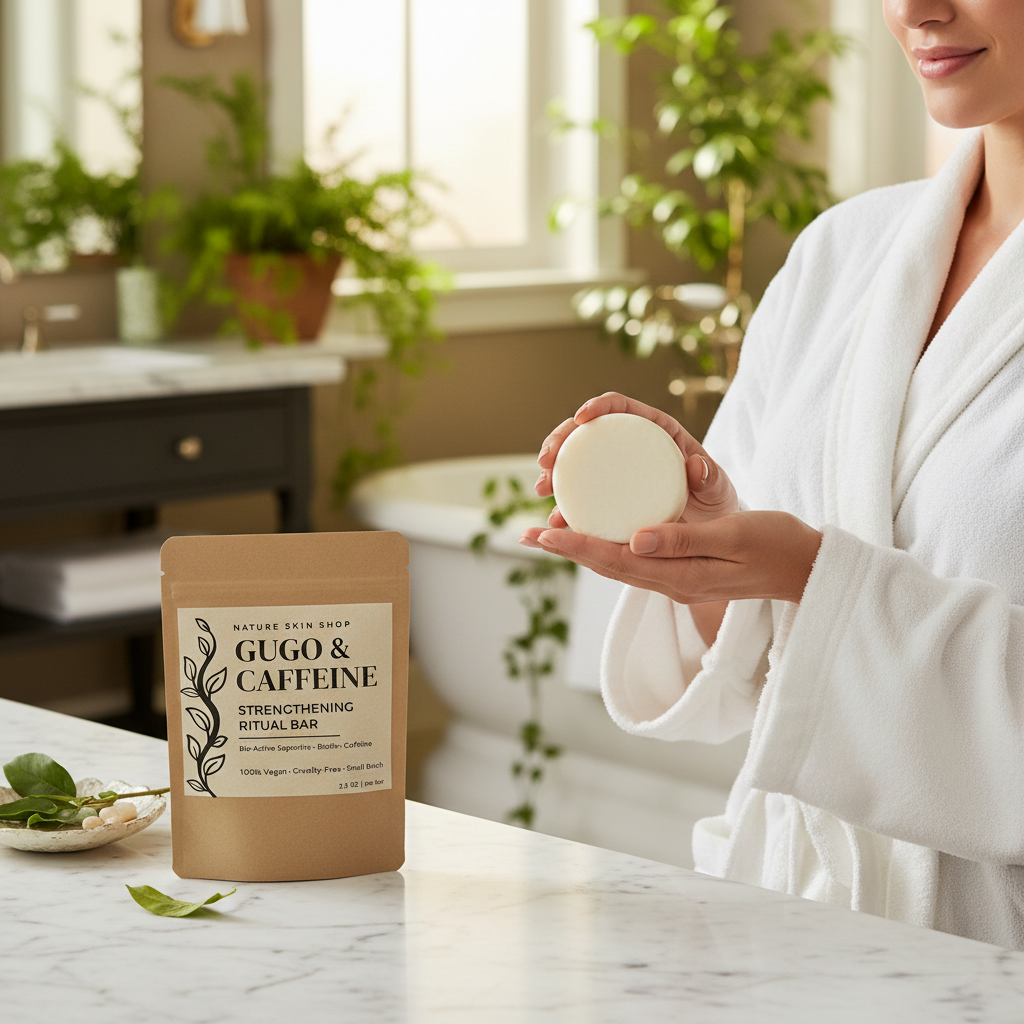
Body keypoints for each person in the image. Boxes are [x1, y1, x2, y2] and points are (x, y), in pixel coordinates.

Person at [519, 0, 1024, 949]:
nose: (914, 10)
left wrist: (811, 574)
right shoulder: (843, 252)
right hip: (792, 922)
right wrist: (712, 551)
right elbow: (766, 668)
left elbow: (818, 595)